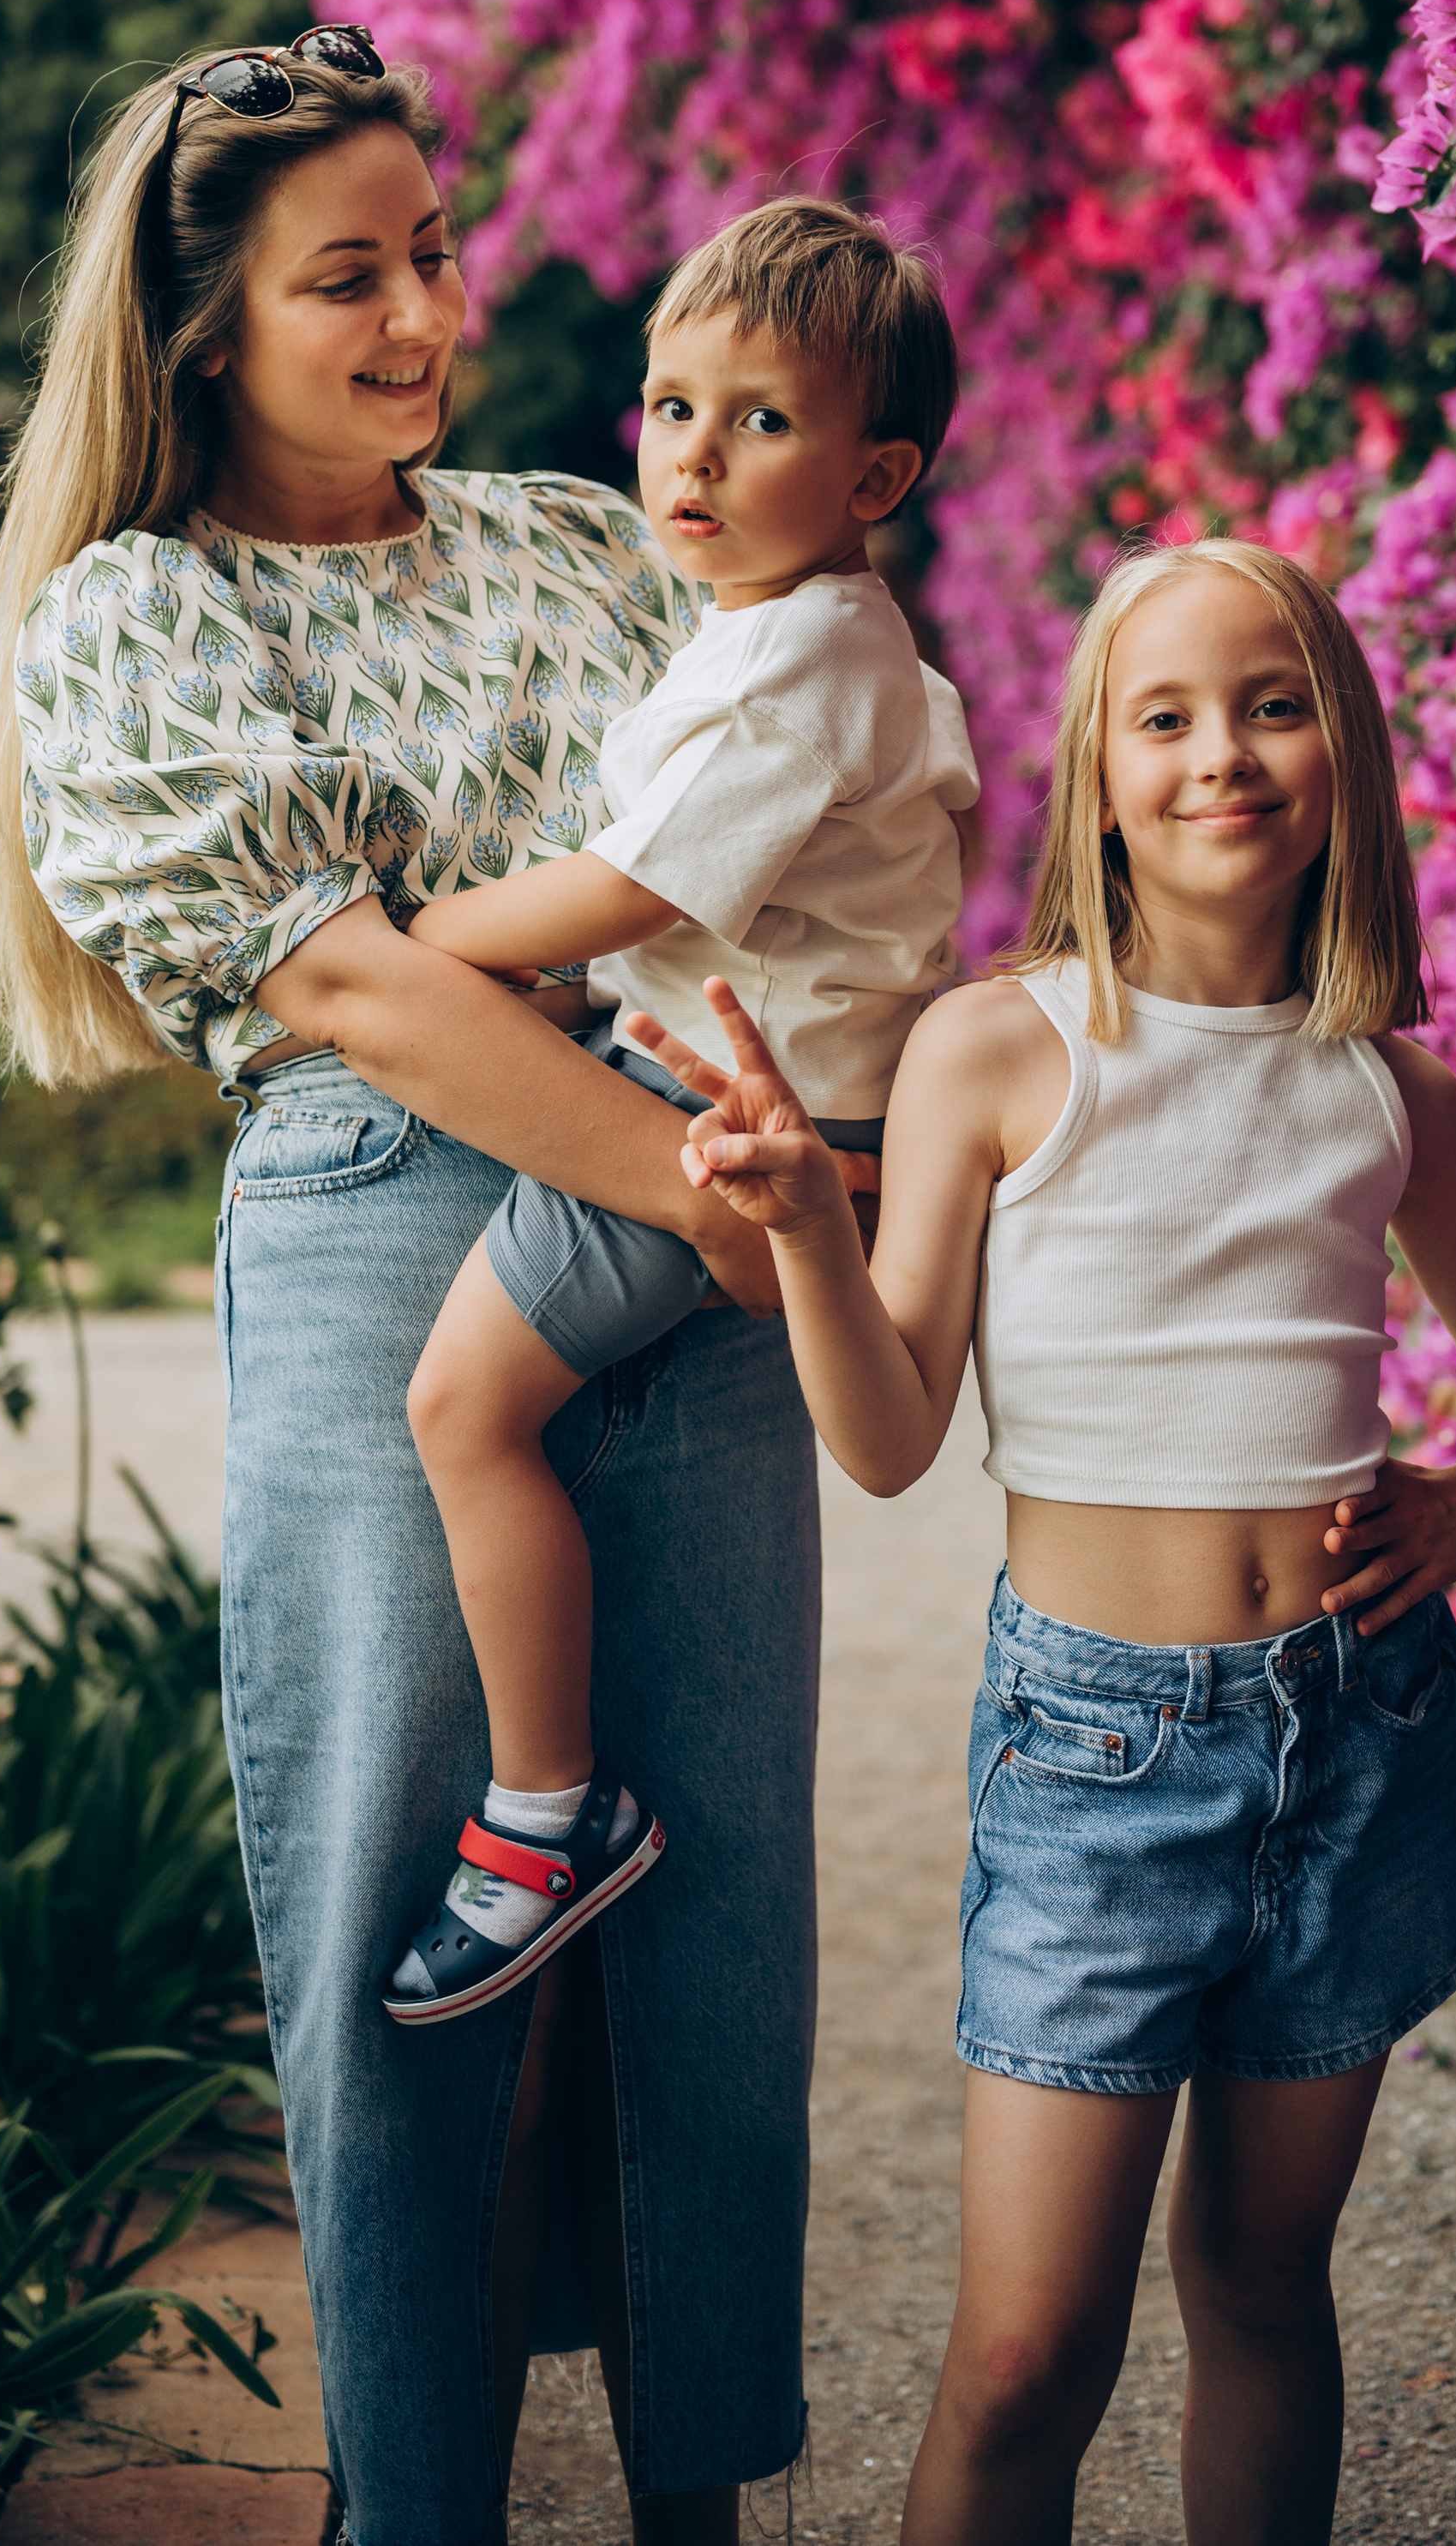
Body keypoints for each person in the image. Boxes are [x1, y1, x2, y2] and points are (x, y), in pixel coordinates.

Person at [0, 29, 823, 2546]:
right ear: (202, 319)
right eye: (347, 274)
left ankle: (700, 2500)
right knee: (408, 1918)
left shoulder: (575, 536)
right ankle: (418, 2504)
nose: (422, 308)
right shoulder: (134, 615)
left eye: (432, 251)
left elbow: (775, 806)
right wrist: (709, 1199)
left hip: (680, 1199)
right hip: (405, 1217)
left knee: (719, 1908)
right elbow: (351, 991)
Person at [627, 536, 1456, 2546]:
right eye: (1163, 715)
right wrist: (804, 1215)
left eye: (1270, 702)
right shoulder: (1000, 1050)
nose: (1217, 753)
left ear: (1343, 756)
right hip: (1096, 1761)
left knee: (1257, 2284)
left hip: (1353, 1738)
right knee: (1020, 2352)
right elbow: (887, 1438)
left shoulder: (1388, 1090)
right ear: (1097, 777)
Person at [389, 199, 976, 2024]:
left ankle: (541, 1812)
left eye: (760, 419)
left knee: (461, 1410)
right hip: (748, 1080)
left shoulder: (800, 661)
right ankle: (546, 1790)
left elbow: (633, 885)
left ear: (875, 467)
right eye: (667, 407)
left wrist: (428, 943)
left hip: (721, 1111)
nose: (693, 452)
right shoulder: (777, 631)